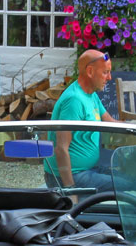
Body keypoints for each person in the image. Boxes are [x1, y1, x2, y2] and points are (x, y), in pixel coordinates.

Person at [44, 49, 122, 190]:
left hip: (89, 169)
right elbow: (61, 149)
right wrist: (70, 190)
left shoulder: (91, 94)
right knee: (132, 186)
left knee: (133, 181)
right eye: (105, 72)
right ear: (90, 71)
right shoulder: (74, 100)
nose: (110, 77)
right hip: (71, 176)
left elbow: (111, 123)